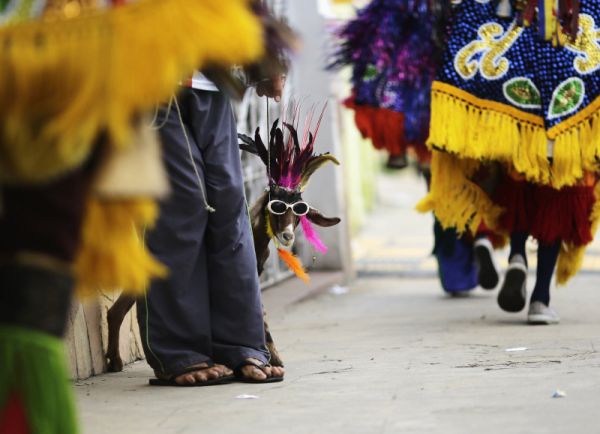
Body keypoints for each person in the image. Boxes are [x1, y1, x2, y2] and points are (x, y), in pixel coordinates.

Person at [419, 0, 599, 324]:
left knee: (520, 190)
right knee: (556, 207)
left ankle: (517, 256)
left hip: (518, 113)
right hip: (572, 115)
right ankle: (540, 300)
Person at [137, 70, 287, 386]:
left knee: (228, 204)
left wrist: (265, 62)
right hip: (151, 75)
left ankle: (240, 345)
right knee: (181, 206)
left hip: (213, 78)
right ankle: (179, 353)